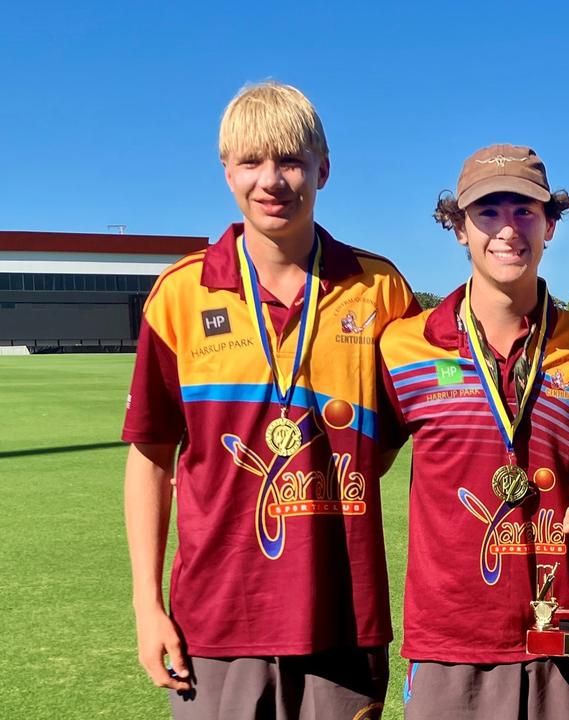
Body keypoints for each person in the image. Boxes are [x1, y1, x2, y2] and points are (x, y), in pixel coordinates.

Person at [122, 81, 418, 719]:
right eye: (252, 162)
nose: (272, 181)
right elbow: (150, 457)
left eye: (291, 161)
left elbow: (391, 440)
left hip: (343, 612)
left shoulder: (381, 290)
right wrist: (148, 605)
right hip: (217, 619)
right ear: (226, 169)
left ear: (323, 169)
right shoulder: (179, 294)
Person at [378, 144, 569, 719]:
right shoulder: (403, 346)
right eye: (487, 212)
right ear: (458, 227)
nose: (507, 230)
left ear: (551, 225)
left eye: (525, 211)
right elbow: (360, 470)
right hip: (449, 646)